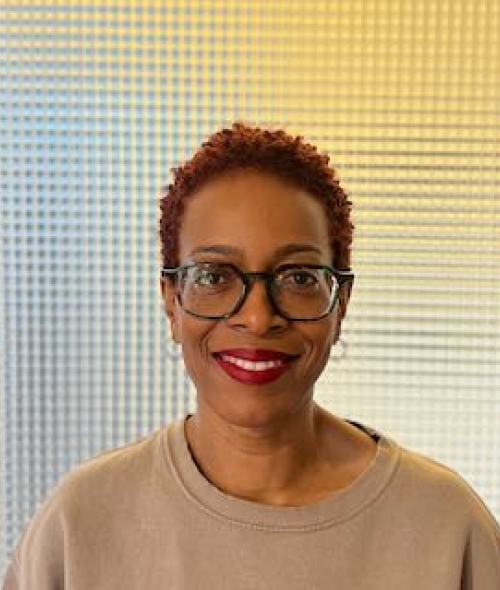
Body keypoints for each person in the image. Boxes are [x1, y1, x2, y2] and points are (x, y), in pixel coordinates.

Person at [3, 123, 500, 589]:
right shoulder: (82, 522)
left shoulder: (445, 528)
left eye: (299, 277)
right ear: (171, 302)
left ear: (341, 304)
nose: (259, 318)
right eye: (215, 276)